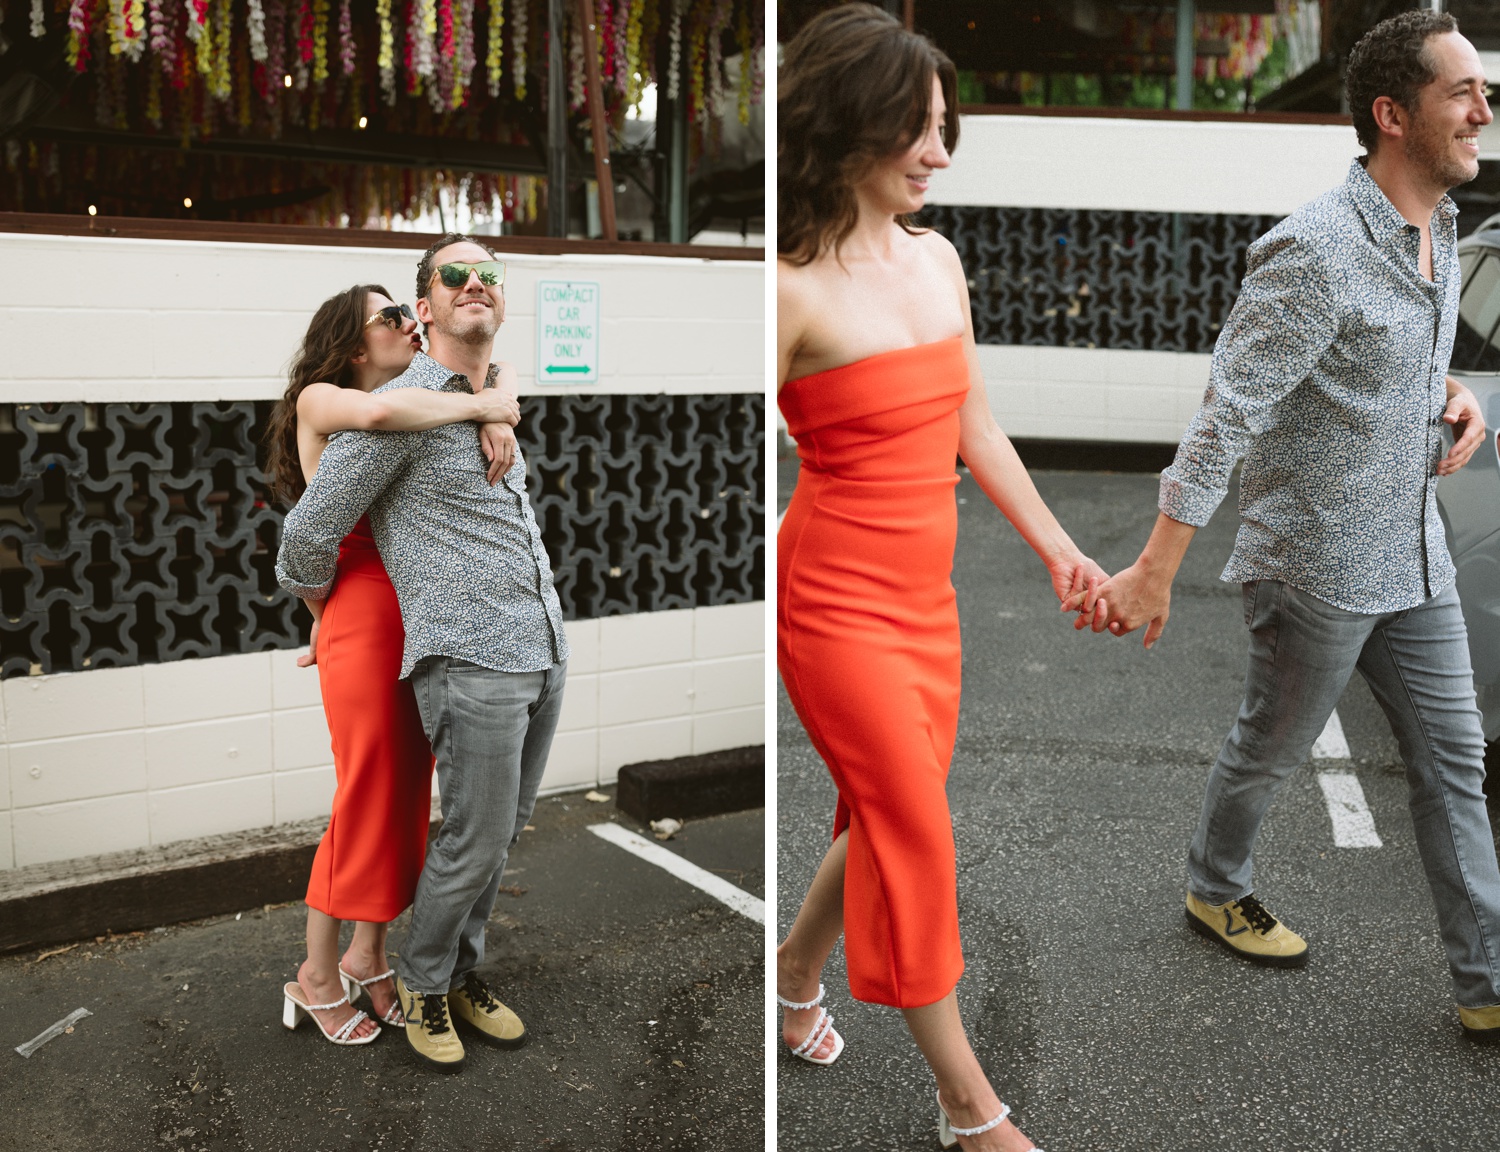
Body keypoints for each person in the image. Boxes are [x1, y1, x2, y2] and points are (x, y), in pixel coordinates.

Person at [1082, 11, 1500, 1040]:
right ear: (1393, 114)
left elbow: (1393, 356)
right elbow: (1229, 416)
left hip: (1415, 556)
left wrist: (1454, 392)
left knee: (1456, 764)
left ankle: (1487, 984)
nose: (1485, 109)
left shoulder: (1440, 230)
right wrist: (1155, 567)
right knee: (1269, 750)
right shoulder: (1313, 250)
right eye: (1463, 92)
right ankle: (1216, 885)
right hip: (1313, 570)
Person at [775, 6, 1106, 1147]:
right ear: (845, 129)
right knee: (914, 827)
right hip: (833, 602)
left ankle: (793, 969)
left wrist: (1062, 549)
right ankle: (969, 1106)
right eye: (916, 128)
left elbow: (977, 426)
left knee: (881, 813)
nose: (939, 152)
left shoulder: (938, 258)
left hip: (928, 601)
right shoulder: (788, 289)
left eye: (943, 126)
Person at [276, 235, 569, 1072]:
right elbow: (306, 532)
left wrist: (493, 399)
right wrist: (322, 614)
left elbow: (496, 386)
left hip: (532, 638)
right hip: (442, 641)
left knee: (490, 826)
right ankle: (404, 979)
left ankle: (416, 966)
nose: (474, 284)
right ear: (426, 301)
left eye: (489, 274)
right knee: (427, 818)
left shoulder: (489, 393)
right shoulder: (384, 407)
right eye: (449, 277)